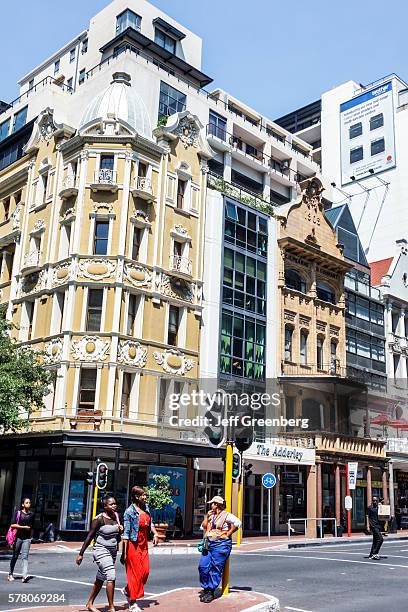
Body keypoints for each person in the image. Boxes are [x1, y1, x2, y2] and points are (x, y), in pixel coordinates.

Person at [76, 495, 122, 612]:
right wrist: (81, 553)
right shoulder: (98, 519)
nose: (114, 506)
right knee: (111, 575)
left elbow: (118, 537)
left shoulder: (117, 516)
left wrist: (120, 532)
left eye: (115, 503)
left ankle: (90, 603)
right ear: (105, 506)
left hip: (112, 552)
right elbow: (89, 536)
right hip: (100, 550)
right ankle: (111, 607)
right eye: (111, 504)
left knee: (101, 578)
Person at [121, 486, 159, 612]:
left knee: (145, 572)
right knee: (135, 575)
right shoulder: (129, 512)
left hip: (143, 545)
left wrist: (155, 533)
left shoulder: (145, 508)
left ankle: (127, 590)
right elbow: (126, 534)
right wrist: (123, 553)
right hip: (133, 545)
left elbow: (150, 523)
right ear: (137, 497)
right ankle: (132, 603)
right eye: (143, 495)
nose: (145, 497)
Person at [198, 495, 241, 604]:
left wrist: (228, 533)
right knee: (203, 566)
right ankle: (206, 588)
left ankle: (210, 591)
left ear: (216, 505)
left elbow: (238, 523)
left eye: (212, 503)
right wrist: (206, 517)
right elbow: (203, 526)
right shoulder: (210, 515)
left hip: (221, 544)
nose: (210, 505)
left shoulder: (226, 515)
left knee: (215, 567)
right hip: (208, 544)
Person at [7, 498, 35, 583]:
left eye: (29, 502)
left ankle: (24, 575)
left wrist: (31, 537)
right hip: (18, 538)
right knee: (15, 556)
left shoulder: (32, 514)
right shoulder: (18, 513)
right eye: (26, 503)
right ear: (23, 504)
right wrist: (23, 527)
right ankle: (10, 574)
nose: (28, 504)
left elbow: (32, 527)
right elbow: (12, 525)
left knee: (25, 557)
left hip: (27, 539)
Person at [367, 495, 384, 560]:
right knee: (380, 539)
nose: (374, 502)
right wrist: (368, 526)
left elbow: (384, 513)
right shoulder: (370, 508)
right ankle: (375, 553)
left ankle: (371, 554)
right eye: (373, 500)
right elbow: (367, 516)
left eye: (376, 500)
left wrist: (381, 506)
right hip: (373, 525)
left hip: (378, 525)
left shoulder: (379, 507)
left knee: (375, 540)